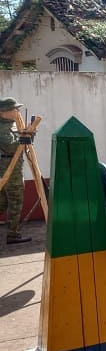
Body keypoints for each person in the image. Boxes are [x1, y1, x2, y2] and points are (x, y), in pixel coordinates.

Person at [0, 97, 32, 245]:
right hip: (9, 166)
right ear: (4, 112)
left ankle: (13, 232)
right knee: (15, 200)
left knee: (4, 202)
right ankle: (13, 234)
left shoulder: (11, 124)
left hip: (14, 164)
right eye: (14, 109)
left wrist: (27, 136)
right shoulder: (2, 127)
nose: (17, 111)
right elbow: (11, 146)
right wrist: (25, 137)